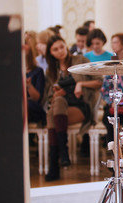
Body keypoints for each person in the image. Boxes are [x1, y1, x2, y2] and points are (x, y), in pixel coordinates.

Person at [44, 35, 103, 181]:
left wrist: (81, 84)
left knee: (52, 112)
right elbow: (48, 98)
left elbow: (99, 81)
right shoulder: (51, 71)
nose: (60, 51)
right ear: (51, 53)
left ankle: (55, 161)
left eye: (61, 47)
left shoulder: (81, 61)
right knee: (57, 102)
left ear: (66, 45)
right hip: (61, 110)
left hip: (81, 107)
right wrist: (57, 93)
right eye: (55, 49)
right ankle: (62, 154)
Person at [25, 31, 46, 124]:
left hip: (33, 107)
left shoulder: (38, 71)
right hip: (17, 106)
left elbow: (37, 98)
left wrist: (29, 85)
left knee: (25, 104)